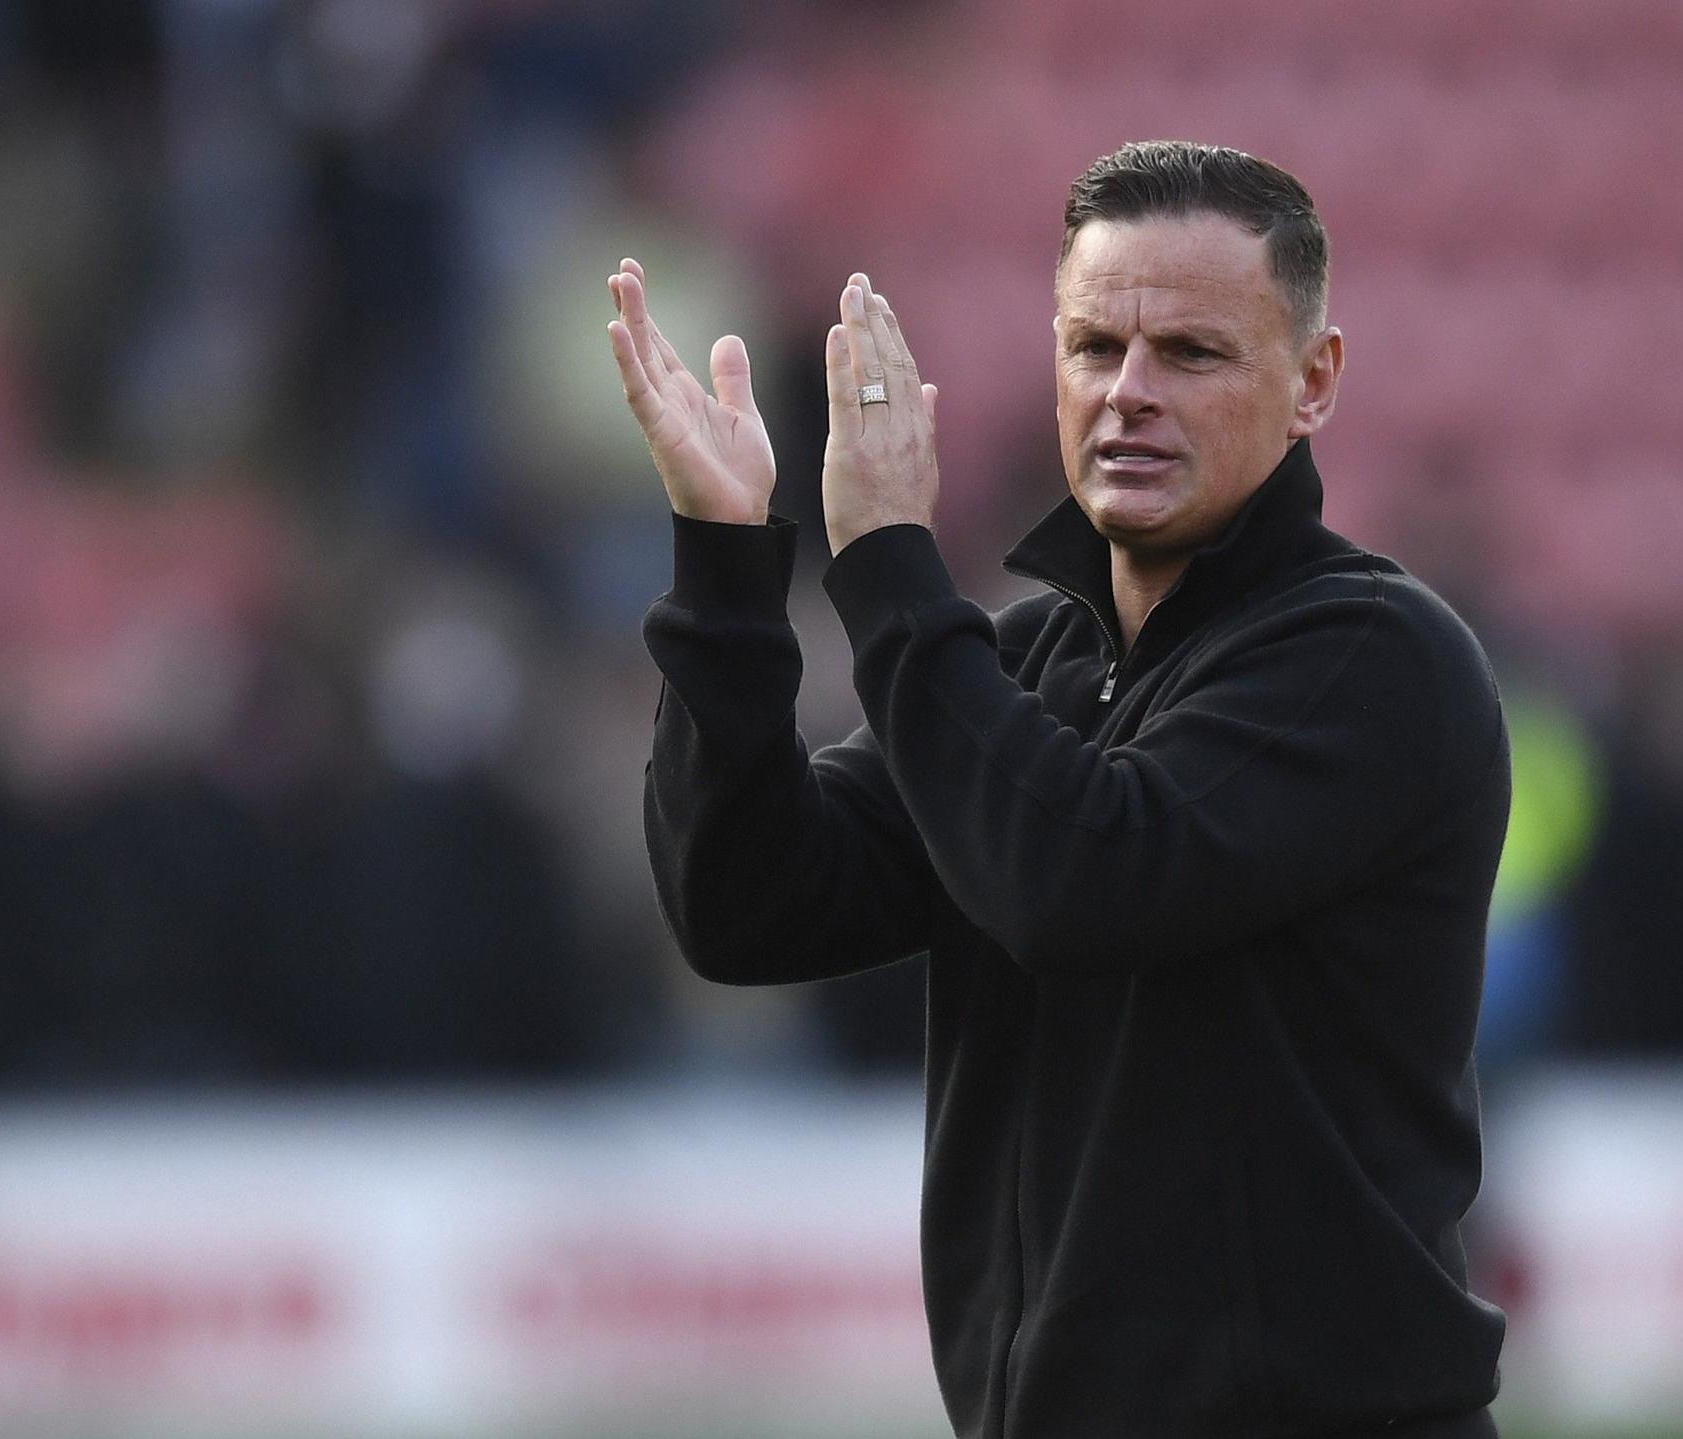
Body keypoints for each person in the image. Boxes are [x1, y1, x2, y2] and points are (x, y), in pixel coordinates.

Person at [610, 141, 1509, 1439]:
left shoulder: (1371, 656)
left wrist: (890, 563)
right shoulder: (1026, 665)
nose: (1128, 393)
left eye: (1190, 354)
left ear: (1313, 382)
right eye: (1094, 348)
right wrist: (729, 568)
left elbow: (1080, 880)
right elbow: (748, 907)